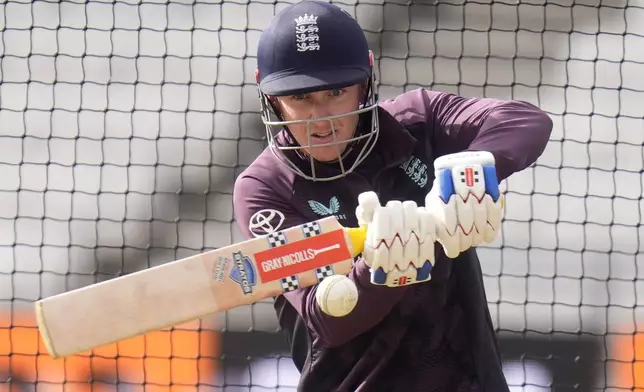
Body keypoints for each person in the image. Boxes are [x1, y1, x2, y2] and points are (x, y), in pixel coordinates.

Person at [232, 1, 553, 391]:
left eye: (336, 91)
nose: (321, 119)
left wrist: (471, 169)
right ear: (269, 95)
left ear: (366, 78)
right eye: (300, 98)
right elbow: (327, 320)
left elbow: (526, 120)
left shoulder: (418, 120)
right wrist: (386, 268)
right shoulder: (264, 187)